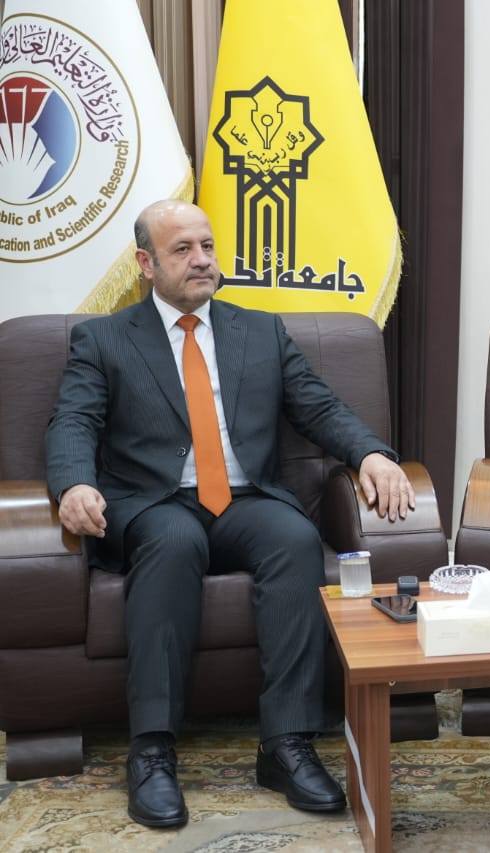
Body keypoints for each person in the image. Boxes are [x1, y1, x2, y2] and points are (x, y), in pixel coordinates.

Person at [45, 200, 417, 828]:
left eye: (207, 246)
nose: (202, 260)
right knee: (173, 541)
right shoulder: (105, 339)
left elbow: (319, 407)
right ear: (145, 264)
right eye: (182, 249)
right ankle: (152, 750)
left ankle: (286, 744)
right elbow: (73, 420)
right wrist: (75, 483)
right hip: (156, 502)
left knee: (294, 538)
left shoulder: (260, 332)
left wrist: (372, 454)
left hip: (246, 499)